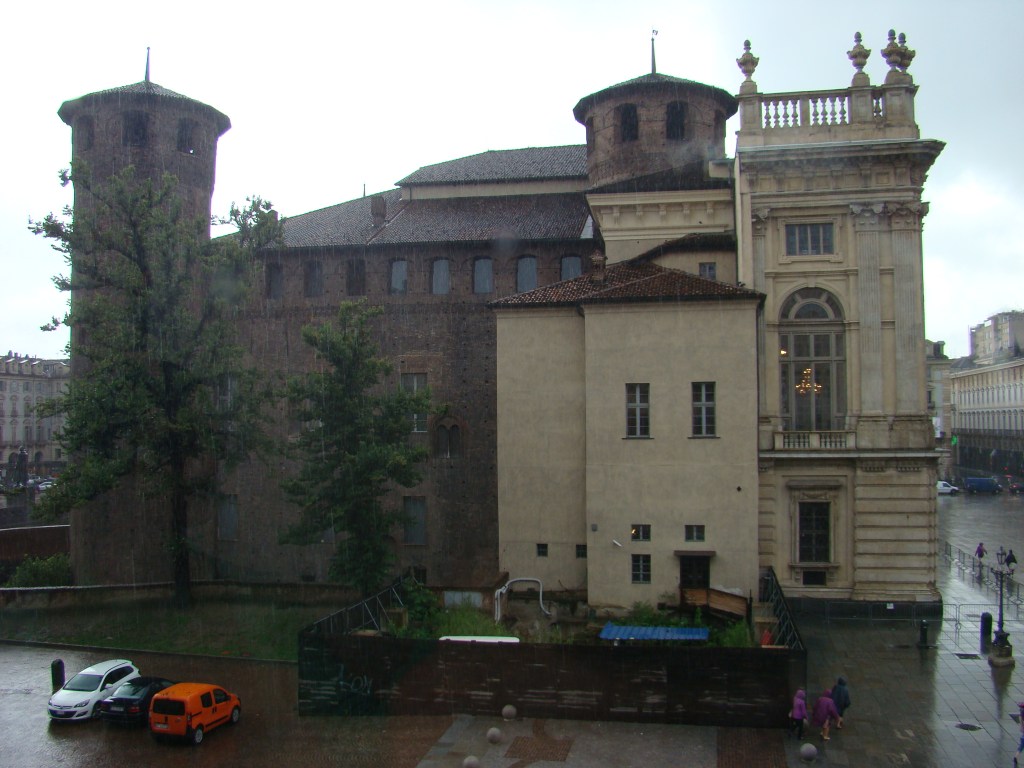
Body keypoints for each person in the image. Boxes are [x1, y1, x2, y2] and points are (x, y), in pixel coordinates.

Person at [1016, 701, 1024, 767]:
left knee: (1021, 746)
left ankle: (1016, 757)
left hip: (1023, 732)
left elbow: (1021, 725)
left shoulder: (1020, 716)